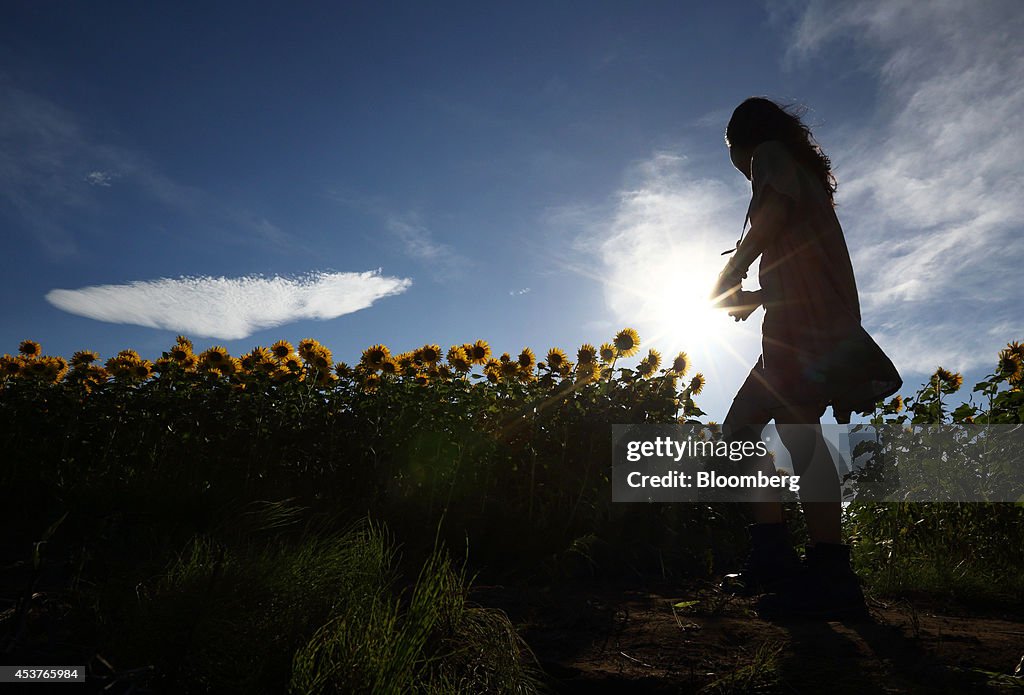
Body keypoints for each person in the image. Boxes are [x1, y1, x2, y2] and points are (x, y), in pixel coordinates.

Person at [711, 97, 901, 619]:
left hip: (805, 332)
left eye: (730, 150)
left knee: (794, 441)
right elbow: (803, 273)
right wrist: (752, 300)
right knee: (747, 437)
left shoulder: (768, 155)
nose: (733, 162)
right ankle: (778, 557)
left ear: (741, 141)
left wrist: (732, 272)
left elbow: (772, 218)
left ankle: (829, 573)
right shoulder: (802, 176)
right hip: (804, 326)